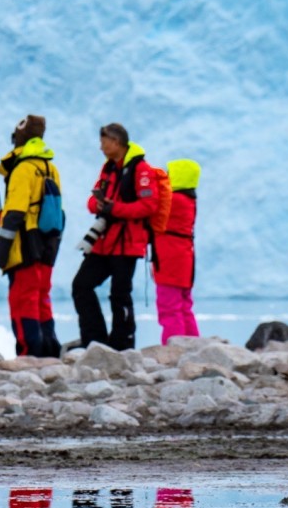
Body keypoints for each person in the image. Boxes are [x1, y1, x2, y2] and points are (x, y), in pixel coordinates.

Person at [72, 123, 159, 350]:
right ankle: (96, 340)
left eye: (103, 142)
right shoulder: (108, 169)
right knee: (81, 285)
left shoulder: (141, 170)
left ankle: (123, 343)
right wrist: (99, 204)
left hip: (127, 243)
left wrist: (115, 209)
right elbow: (91, 201)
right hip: (104, 242)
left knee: (120, 294)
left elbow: (149, 205)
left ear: (116, 142)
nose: (101, 147)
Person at [0, 114, 63, 358]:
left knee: (23, 298)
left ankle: (28, 353)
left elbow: (16, 213)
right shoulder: (49, 167)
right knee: (41, 297)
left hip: (26, 244)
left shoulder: (23, 168)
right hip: (48, 242)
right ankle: (50, 350)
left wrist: (1, 251)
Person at [153, 159, 202, 344]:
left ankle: (173, 348)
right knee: (184, 305)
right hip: (184, 257)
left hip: (169, 258)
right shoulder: (188, 199)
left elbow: (150, 208)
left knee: (169, 306)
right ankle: (194, 344)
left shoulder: (173, 200)